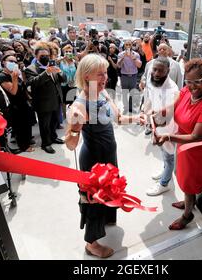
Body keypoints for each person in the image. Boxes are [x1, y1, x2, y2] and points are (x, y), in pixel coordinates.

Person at [65, 54, 139, 258]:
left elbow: (120, 119)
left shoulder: (103, 93)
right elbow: (71, 145)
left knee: (110, 191)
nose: (105, 76)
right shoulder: (80, 104)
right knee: (93, 200)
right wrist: (74, 127)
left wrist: (138, 117)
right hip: (94, 162)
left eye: (105, 72)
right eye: (100, 74)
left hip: (109, 155)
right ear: (86, 76)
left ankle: (107, 217)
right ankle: (92, 243)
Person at [145, 58, 202, 230]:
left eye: (197, 82)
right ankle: (190, 202)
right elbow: (173, 107)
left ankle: (188, 215)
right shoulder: (186, 92)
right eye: (188, 81)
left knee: (190, 181)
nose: (192, 86)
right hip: (184, 145)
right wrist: (159, 111)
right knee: (184, 178)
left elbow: (196, 136)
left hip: (198, 150)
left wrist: (169, 137)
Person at [143, 57, 179, 196]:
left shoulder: (172, 89)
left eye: (160, 71)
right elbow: (150, 100)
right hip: (156, 124)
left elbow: (169, 115)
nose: (156, 73)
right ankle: (165, 169)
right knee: (163, 154)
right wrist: (146, 115)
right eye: (155, 69)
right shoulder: (153, 81)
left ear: (168, 71)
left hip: (167, 127)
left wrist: (157, 129)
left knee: (169, 157)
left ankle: (164, 183)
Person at [25, 46, 66, 154]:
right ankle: (46, 144)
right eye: (42, 56)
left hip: (56, 99)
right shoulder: (30, 68)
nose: (45, 57)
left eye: (47, 55)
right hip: (43, 102)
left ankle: (53, 137)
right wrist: (46, 72)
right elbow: (32, 84)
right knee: (45, 125)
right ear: (36, 56)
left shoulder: (53, 65)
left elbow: (63, 79)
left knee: (54, 122)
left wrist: (60, 72)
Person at [0, 54, 34, 152]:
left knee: (26, 124)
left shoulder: (15, 73)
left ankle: (27, 141)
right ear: (4, 62)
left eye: (15, 61)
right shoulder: (2, 76)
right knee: (20, 127)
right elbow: (13, 92)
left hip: (23, 102)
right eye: (10, 61)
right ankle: (24, 146)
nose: (13, 63)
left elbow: (23, 85)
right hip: (15, 106)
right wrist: (14, 78)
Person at [117, 40, 142, 114]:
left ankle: (131, 108)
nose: (128, 46)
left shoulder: (136, 54)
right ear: (124, 46)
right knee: (124, 93)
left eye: (129, 44)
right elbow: (118, 65)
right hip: (124, 76)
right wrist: (123, 57)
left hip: (133, 76)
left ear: (131, 45)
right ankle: (125, 108)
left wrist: (133, 58)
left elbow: (139, 65)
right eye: (126, 44)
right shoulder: (121, 54)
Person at [59, 44, 77, 117]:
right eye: (66, 51)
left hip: (72, 84)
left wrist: (75, 58)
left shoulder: (74, 61)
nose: (68, 53)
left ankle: (71, 114)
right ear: (63, 52)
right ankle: (64, 116)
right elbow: (54, 62)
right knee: (63, 101)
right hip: (63, 84)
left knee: (72, 100)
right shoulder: (60, 61)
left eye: (70, 51)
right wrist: (63, 58)